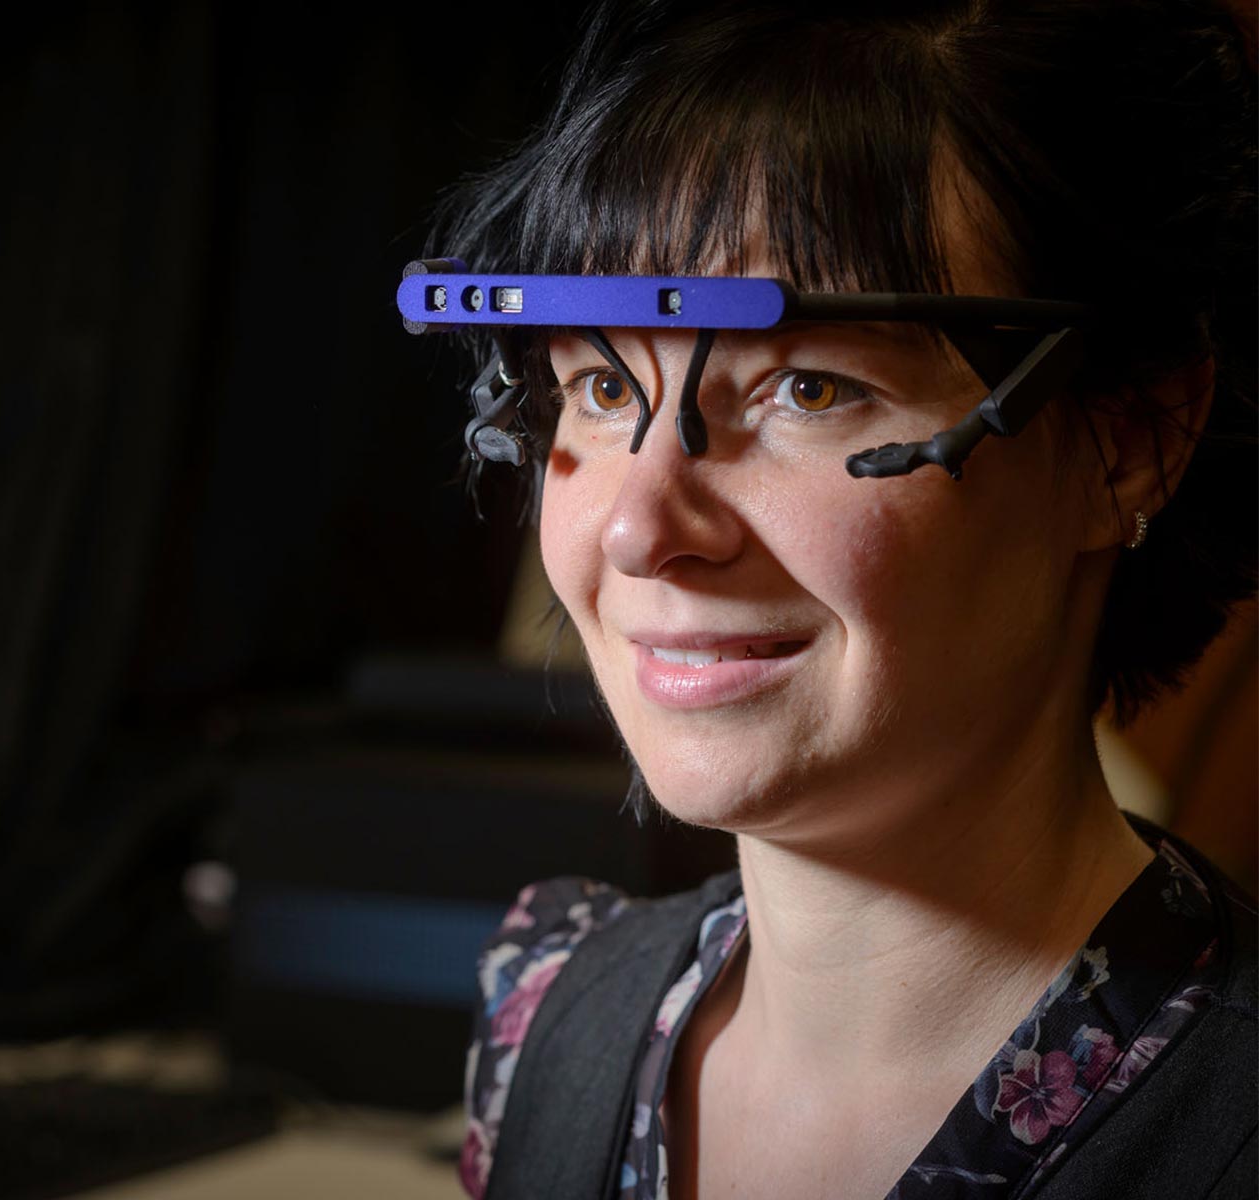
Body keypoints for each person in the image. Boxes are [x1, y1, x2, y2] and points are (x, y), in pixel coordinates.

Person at [402, 2, 1258, 1198]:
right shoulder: (547, 1020)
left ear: (1129, 445)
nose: (645, 528)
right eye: (599, 384)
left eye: (809, 389)